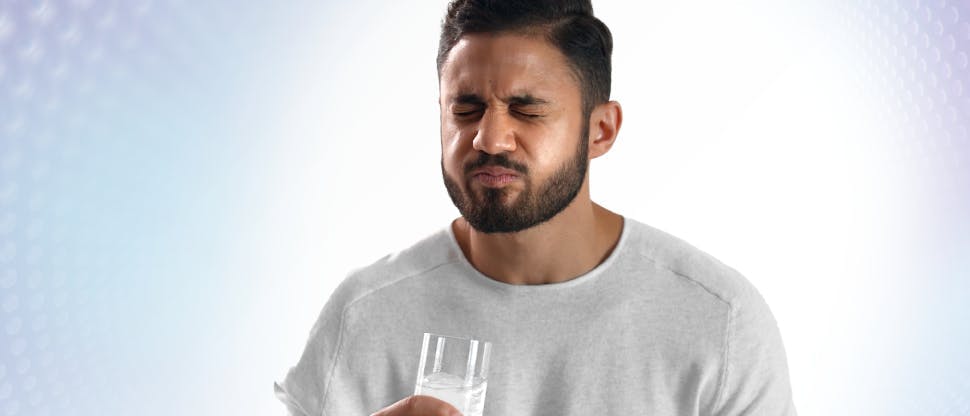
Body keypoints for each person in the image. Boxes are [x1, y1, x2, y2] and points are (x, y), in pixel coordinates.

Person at [275, 0, 797, 415]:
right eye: (466, 108)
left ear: (601, 130)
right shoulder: (365, 315)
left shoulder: (715, 320)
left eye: (526, 110)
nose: (490, 137)